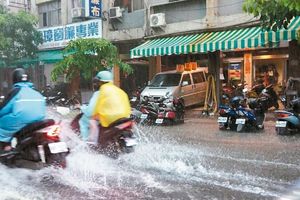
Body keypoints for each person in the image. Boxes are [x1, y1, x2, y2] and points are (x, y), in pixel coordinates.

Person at [0, 68, 46, 151]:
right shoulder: (36, 91)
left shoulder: (16, 91)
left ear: (14, 79)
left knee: (2, 126)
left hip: (21, 121)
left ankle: (6, 148)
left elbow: (4, 109)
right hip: (38, 121)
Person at [78, 71, 106, 141]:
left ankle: (86, 143)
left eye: (96, 82)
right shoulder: (114, 91)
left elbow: (90, 111)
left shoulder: (98, 93)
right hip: (114, 116)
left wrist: (81, 107)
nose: (95, 84)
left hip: (102, 117)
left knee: (83, 121)